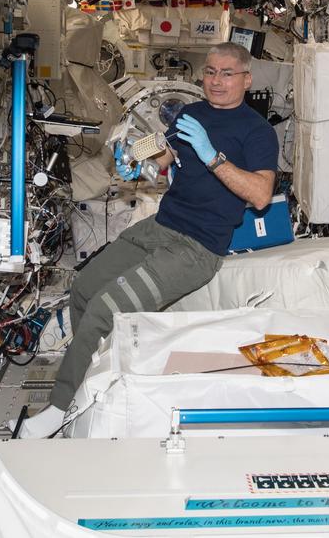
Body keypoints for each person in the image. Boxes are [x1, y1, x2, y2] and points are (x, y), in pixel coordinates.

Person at [17, 41, 277, 438]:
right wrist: (135, 157)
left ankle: (59, 407)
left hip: (197, 248)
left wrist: (213, 156)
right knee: (84, 290)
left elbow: (259, 195)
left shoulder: (256, 132)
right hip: (161, 226)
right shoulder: (191, 113)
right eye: (209, 72)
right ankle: (96, 374)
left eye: (227, 73)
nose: (216, 81)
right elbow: (165, 152)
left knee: (105, 309)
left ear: (246, 78)